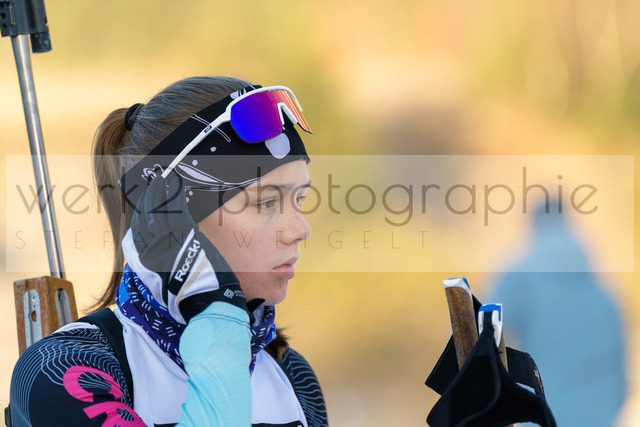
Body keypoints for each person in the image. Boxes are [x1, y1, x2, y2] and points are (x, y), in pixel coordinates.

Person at [8, 76, 328, 426]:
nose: (301, 230)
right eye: (266, 202)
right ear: (169, 217)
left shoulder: (289, 372)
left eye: (299, 199)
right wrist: (219, 318)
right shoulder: (66, 370)